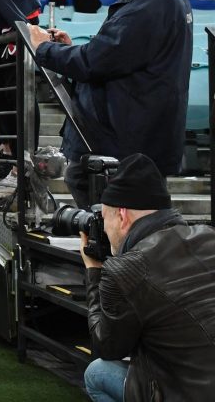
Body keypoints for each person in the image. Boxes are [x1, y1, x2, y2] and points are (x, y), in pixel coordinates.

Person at [28, 0, 192, 208]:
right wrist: (66, 50)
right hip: (131, 142)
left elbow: (97, 61)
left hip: (122, 146)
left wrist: (44, 49)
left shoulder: (151, 3)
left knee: (112, 234)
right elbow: (115, 55)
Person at [80, 153, 215, 402]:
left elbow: (107, 347)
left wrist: (93, 271)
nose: (105, 228)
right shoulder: (208, 235)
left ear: (122, 216)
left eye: (105, 218)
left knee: (97, 373)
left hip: (184, 393)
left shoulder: (125, 269)